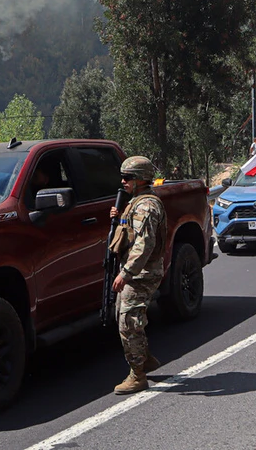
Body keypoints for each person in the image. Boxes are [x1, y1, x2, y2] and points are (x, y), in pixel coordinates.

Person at [107, 155, 167, 395]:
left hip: (142, 273)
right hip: (134, 272)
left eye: (128, 178)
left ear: (141, 179)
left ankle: (138, 375)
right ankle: (145, 357)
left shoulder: (147, 206)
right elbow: (129, 235)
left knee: (128, 322)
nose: (123, 181)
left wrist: (126, 273)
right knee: (124, 315)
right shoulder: (135, 203)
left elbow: (144, 245)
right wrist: (118, 216)